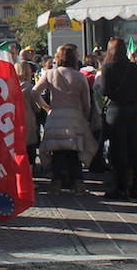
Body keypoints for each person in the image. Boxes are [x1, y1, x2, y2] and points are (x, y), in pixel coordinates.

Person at [33, 43, 96, 195]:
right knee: (74, 154)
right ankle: (78, 184)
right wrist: (86, 117)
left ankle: (56, 183)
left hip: (55, 115)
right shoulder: (80, 76)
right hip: (74, 116)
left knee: (57, 152)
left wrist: (46, 107)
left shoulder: (50, 74)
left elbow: (34, 92)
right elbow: (86, 102)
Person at [96, 39, 137, 200]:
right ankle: (135, 186)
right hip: (134, 110)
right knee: (134, 149)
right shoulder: (134, 67)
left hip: (116, 111)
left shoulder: (108, 68)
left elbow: (104, 91)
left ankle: (120, 186)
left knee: (118, 151)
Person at [16, 61, 41, 166]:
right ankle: (30, 172)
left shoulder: (10, 86)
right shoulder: (30, 87)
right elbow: (37, 107)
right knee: (29, 149)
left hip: (14, 119)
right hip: (28, 120)